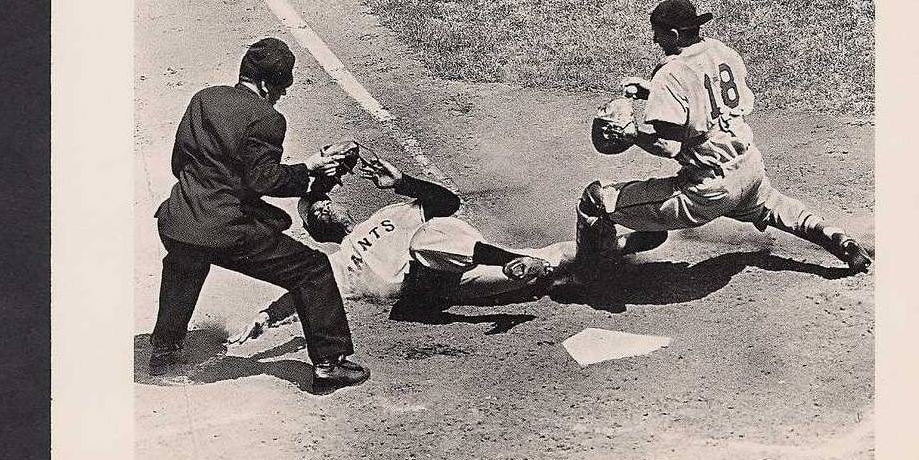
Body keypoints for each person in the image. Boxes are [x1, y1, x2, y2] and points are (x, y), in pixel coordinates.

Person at [575, 0, 873, 282]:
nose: (655, 40)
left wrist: (633, 135)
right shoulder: (723, 52)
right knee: (779, 208)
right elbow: (707, 96)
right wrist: (653, 91)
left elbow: (669, 146)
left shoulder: (669, 74)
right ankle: (837, 239)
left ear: (676, 34)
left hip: (707, 192)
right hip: (749, 169)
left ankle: (592, 276)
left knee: (595, 200)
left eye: (658, 33)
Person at [150, 37, 369, 394]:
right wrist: (308, 168)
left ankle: (164, 353)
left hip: (177, 221)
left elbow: (180, 163)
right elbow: (264, 179)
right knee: (311, 268)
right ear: (267, 85)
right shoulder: (267, 118)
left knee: (185, 264)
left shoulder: (204, 98)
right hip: (222, 229)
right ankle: (330, 364)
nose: (281, 95)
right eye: (281, 88)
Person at [229, 146, 601, 345]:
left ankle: (617, 249)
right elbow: (301, 292)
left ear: (341, 207)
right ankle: (514, 264)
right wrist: (266, 317)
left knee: (562, 256)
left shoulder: (386, 213)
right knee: (424, 244)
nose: (323, 207)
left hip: (466, 253)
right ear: (314, 231)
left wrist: (403, 182)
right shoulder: (337, 264)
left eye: (324, 202)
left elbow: (447, 204)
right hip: (439, 286)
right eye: (314, 211)